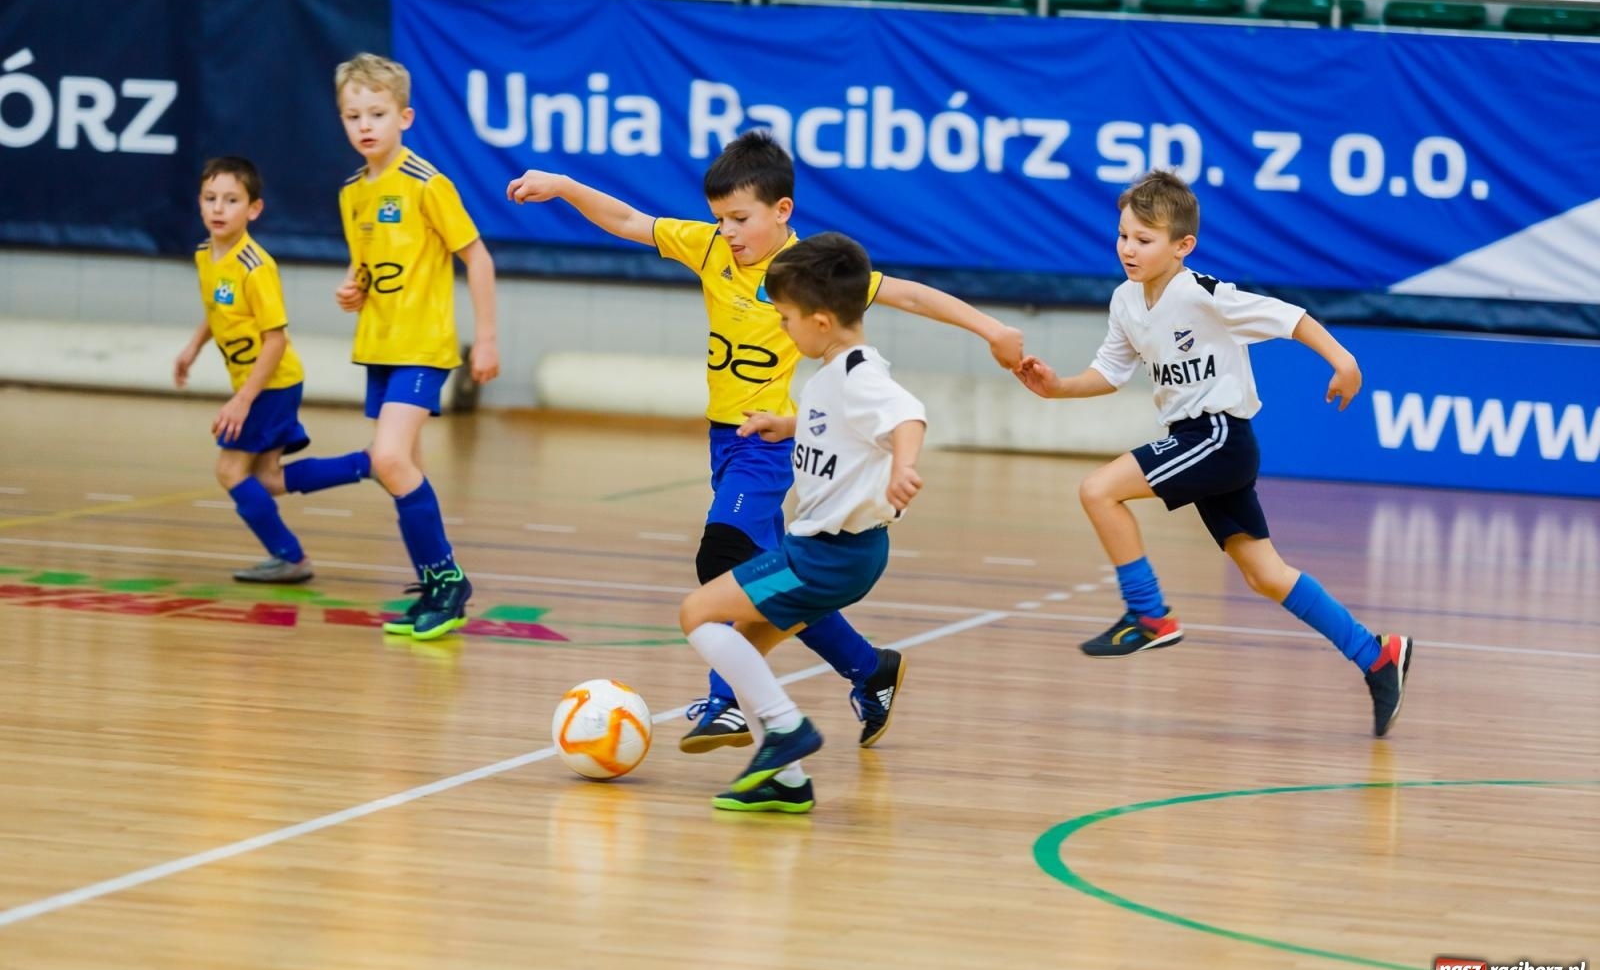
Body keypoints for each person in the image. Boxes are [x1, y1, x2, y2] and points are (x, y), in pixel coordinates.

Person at [506, 131, 1022, 752]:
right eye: (720, 217)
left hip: (769, 442)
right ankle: (869, 668)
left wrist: (991, 328)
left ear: (782, 212)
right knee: (782, 580)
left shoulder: (808, 274)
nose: (727, 230)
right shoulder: (708, 248)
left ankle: (728, 703)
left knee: (721, 562)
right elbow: (627, 219)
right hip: (724, 441)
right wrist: (563, 186)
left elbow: (908, 293)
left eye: (741, 218)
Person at [1014, 170, 1413, 737]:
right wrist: (1057, 387)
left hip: (1218, 436)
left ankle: (1149, 614)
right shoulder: (1126, 301)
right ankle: (1377, 656)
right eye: (1123, 235)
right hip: (1201, 444)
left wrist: (1343, 360)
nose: (1129, 248)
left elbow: (1288, 317)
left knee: (1097, 490)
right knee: (1267, 576)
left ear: (1183, 246)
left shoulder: (1201, 293)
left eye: (1144, 240)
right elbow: (1109, 372)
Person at [678, 232, 927, 812]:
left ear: (819, 321)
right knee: (745, 649)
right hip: (829, 553)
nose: (782, 327)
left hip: (825, 557)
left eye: (785, 317)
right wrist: (785, 426)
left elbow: (906, 415)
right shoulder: (830, 375)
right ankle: (784, 780)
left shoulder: (860, 373)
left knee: (697, 615)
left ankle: (788, 730)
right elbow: (836, 423)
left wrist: (904, 468)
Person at [332, 53, 501, 641]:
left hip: (424, 347)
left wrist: (485, 337)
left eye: (377, 112)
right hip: (377, 347)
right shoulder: (352, 193)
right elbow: (364, 269)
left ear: (404, 116)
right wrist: (352, 290)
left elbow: (476, 257)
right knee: (405, 468)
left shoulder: (428, 183)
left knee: (388, 459)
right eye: (353, 115)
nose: (365, 125)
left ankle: (449, 580)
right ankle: (435, 587)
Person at [174, 156, 369, 584]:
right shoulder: (206, 255)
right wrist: (193, 347)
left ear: (253, 209)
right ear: (199, 203)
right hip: (263, 386)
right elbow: (218, 311)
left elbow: (275, 340)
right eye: (210, 198)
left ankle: (291, 557)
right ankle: (366, 464)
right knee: (268, 479)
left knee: (229, 471)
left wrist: (243, 400)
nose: (219, 208)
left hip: (272, 383)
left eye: (231, 200)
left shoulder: (256, 267)